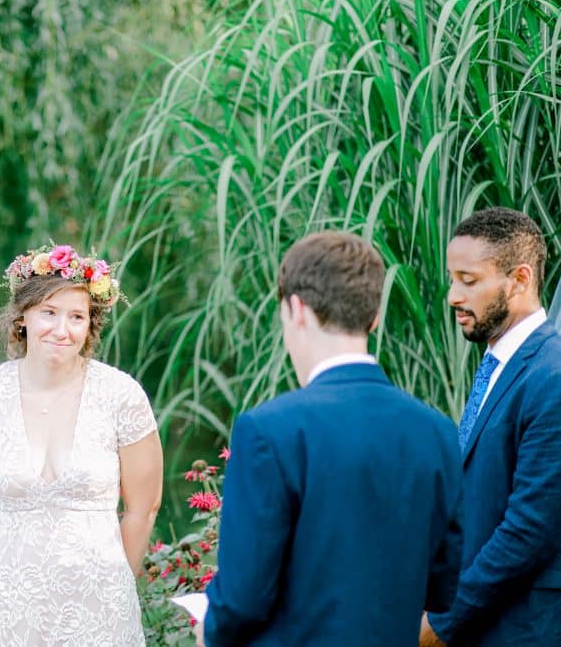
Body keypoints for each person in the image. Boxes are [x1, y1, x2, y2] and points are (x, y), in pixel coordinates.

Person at [197, 232, 463, 647]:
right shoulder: (436, 430)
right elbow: (444, 587)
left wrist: (207, 628)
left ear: (296, 309)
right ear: (374, 317)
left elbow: (241, 599)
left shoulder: (268, 430)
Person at [0, 244, 163, 646]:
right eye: (49, 313)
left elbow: (144, 506)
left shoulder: (121, 395)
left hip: (100, 605)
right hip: (10, 603)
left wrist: (112, 582)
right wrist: (23, 572)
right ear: (23, 317)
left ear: (90, 326)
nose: (61, 329)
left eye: (76, 317)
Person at [421, 207, 561, 646]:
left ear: (520, 279)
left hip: (524, 630)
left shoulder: (552, 375)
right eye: (451, 279)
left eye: (469, 280)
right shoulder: (501, 364)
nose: (452, 297)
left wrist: (442, 623)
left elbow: (530, 530)